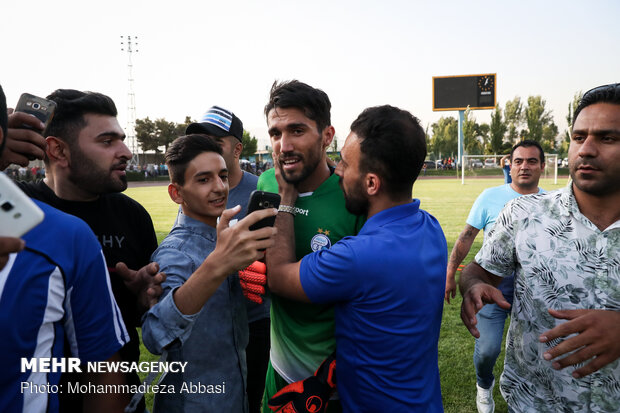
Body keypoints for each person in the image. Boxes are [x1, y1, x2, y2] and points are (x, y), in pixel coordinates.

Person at [266, 105, 446, 411]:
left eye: (346, 165)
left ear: (371, 183)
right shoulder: (431, 228)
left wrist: (286, 198)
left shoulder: (357, 258)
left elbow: (279, 276)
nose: (337, 170)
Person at [459, 83, 620, 412]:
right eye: (579, 137)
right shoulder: (523, 214)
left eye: (607, 138)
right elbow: (480, 271)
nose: (586, 149)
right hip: (535, 401)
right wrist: (473, 285)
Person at [12, 89, 164, 413]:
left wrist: (142, 300)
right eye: (107, 141)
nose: (126, 152)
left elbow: (142, 323)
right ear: (58, 150)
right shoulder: (14, 209)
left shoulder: (133, 216)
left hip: (117, 392)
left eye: (122, 139)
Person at [141, 134, 277, 412]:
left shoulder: (225, 241)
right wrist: (217, 265)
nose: (219, 187)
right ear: (176, 193)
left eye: (223, 176)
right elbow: (156, 336)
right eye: (203, 179)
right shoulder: (175, 253)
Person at [256, 80, 364, 413]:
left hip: (334, 383)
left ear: (327, 136)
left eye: (297, 130)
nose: (284, 145)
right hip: (279, 372)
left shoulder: (353, 198)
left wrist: (329, 374)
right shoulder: (266, 185)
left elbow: (367, 298)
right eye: (276, 133)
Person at [445, 140, 545, 413]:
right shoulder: (489, 197)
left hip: (533, 286)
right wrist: (450, 272)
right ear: (509, 167)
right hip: (492, 281)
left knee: (536, 349)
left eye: (532, 161)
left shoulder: (551, 204)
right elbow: (466, 237)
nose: (524, 166)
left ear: (543, 167)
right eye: (519, 161)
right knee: (488, 349)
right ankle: (484, 384)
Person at [185, 106, 268, 413]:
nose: (205, 148)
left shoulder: (262, 189)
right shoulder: (195, 188)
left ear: (237, 149)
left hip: (255, 319)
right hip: (209, 317)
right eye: (200, 140)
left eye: (215, 142)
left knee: (251, 399)